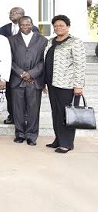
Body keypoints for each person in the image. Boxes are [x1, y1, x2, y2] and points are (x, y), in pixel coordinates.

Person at [44, 15, 86, 153]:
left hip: (67, 85)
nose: (58, 28)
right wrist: (45, 82)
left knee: (67, 114)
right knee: (56, 112)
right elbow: (46, 62)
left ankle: (67, 143)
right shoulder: (51, 42)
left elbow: (80, 65)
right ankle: (58, 139)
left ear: (68, 26)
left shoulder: (75, 42)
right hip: (52, 83)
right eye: (55, 26)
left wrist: (78, 85)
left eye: (61, 25)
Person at [8, 16, 47, 146]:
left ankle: (31, 135)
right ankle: (19, 134)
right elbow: (9, 59)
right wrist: (20, 73)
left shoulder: (42, 40)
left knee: (33, 109)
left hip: (34, 80)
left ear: (32, 24)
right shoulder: (11, 40)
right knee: (17, 109)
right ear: (19, 25)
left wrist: (31, 73)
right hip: (16, 79)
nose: (25, 26)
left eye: (27, 24)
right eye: (22, 24)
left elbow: (43, 61)